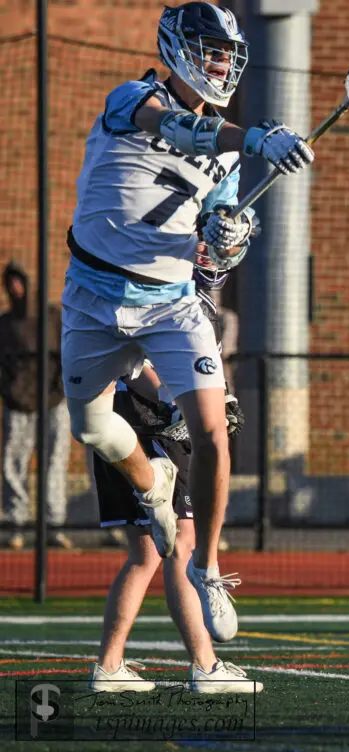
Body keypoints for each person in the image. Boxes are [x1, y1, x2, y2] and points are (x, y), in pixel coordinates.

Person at [61, 2, 313, 643]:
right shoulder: (132, 98)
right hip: (94, 296)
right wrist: (253, 137)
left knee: (213, 430)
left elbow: (218, 242)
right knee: (90, 426)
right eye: (211, 51)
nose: (222, 64)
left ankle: (208, 568)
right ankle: (153, 485)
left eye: (229, 55)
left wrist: (227, 240)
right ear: (176, 48)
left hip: (171, 302)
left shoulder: (228, 153)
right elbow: (174, 128)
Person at [88, 249, 254, 694]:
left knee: (146, 553)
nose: (211, 255)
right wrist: (174, 402)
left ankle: (109, 666)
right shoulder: (159, 284)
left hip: (126, 419)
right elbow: (134, 359)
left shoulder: (192, 293)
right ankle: (206, 667)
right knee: (183, 542)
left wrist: (217, 400)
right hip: (146, 420)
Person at [0, 262, 72, 550]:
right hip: (18, 404)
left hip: (53, 402)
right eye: (10, 283)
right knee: (13, 464)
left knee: (54, 462)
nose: (15, 288)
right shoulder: (5, 324)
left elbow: (68, 354)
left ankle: (54, 525)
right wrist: (10, 392)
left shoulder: (52, 318)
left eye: (19, 281)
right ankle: (16, 523)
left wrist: (60, 390)